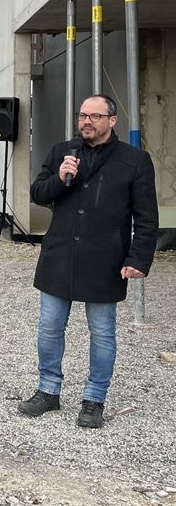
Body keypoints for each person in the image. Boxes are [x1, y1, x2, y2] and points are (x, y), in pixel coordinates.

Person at [20, 94, 159, 429]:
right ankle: (48, 390)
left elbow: (146, 217)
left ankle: (94, 399)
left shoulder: (134, 160)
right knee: (49, 327)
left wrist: (138, 258)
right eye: (82, 115)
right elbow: (38, 193)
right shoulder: (62, 152)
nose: (86, 121)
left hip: (105, 259)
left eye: (95, 116)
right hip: (60, 255)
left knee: (102, 333)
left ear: (112, 120)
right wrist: (60, 178)